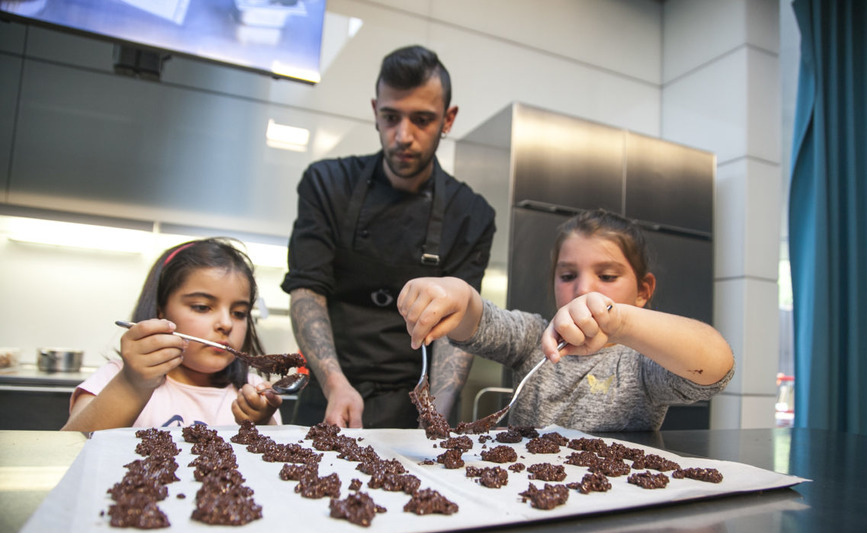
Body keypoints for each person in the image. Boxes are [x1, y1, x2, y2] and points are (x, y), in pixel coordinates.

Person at [281, 45, 496, 429]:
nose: (403, 136)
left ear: (448, 119)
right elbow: (307, 291)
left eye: (422, 120)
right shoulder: (327, 184)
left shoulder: (471, 214)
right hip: (329, 395)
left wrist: (438, 411)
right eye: (391, 117)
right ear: (375, 112)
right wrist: (335, 385)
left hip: (414, 404)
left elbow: (456, 325)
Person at [398, 209, 735, 433]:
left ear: (643, 291)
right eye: (568, 275)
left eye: (606, 275)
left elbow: (717, 367)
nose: (583, 288)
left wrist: (619, 322)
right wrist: (458, 294)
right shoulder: (533, 338)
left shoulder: (641, 363)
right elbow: (480, 321)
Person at [62, 238, 284, 431]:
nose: (226, 324)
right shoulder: (118, 377)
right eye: (202, 307)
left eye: (239, 313)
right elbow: (70, 450)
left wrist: (264, 423)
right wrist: (132, 384)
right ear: (161, 311)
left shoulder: (255, 392)